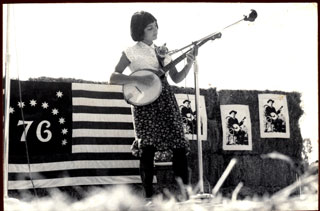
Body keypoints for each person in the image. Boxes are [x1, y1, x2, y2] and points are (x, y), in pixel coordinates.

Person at [109, 11, 195, 198]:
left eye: (156, 25)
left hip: (165, 99)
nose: (155, 30)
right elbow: (113, 77)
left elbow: (177, 78)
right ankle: (148, 197)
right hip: (144, 102)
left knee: (179, 145)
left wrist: (188, 64)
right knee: (147, 148)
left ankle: (185, 196)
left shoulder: (163, 51)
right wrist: (140, 81)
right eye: (150, 28)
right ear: (140, 31)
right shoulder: (131, 52)